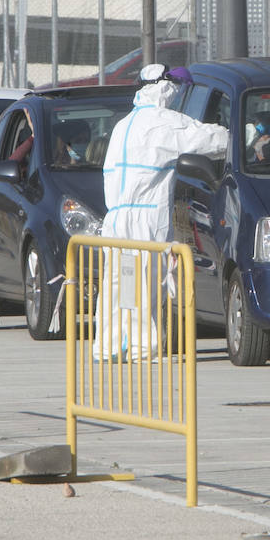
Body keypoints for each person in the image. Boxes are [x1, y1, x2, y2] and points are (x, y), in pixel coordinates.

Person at [94, 64, 228, 361]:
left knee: (118, 284)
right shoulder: (166, 123)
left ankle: (109, 347)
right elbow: (214, 140)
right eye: (176, 88)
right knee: (145, 283)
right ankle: (142, 348)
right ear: (165, 88)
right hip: (146, 217)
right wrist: (246, 132)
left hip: (116, 218)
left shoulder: (123, 125)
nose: (178, 93)